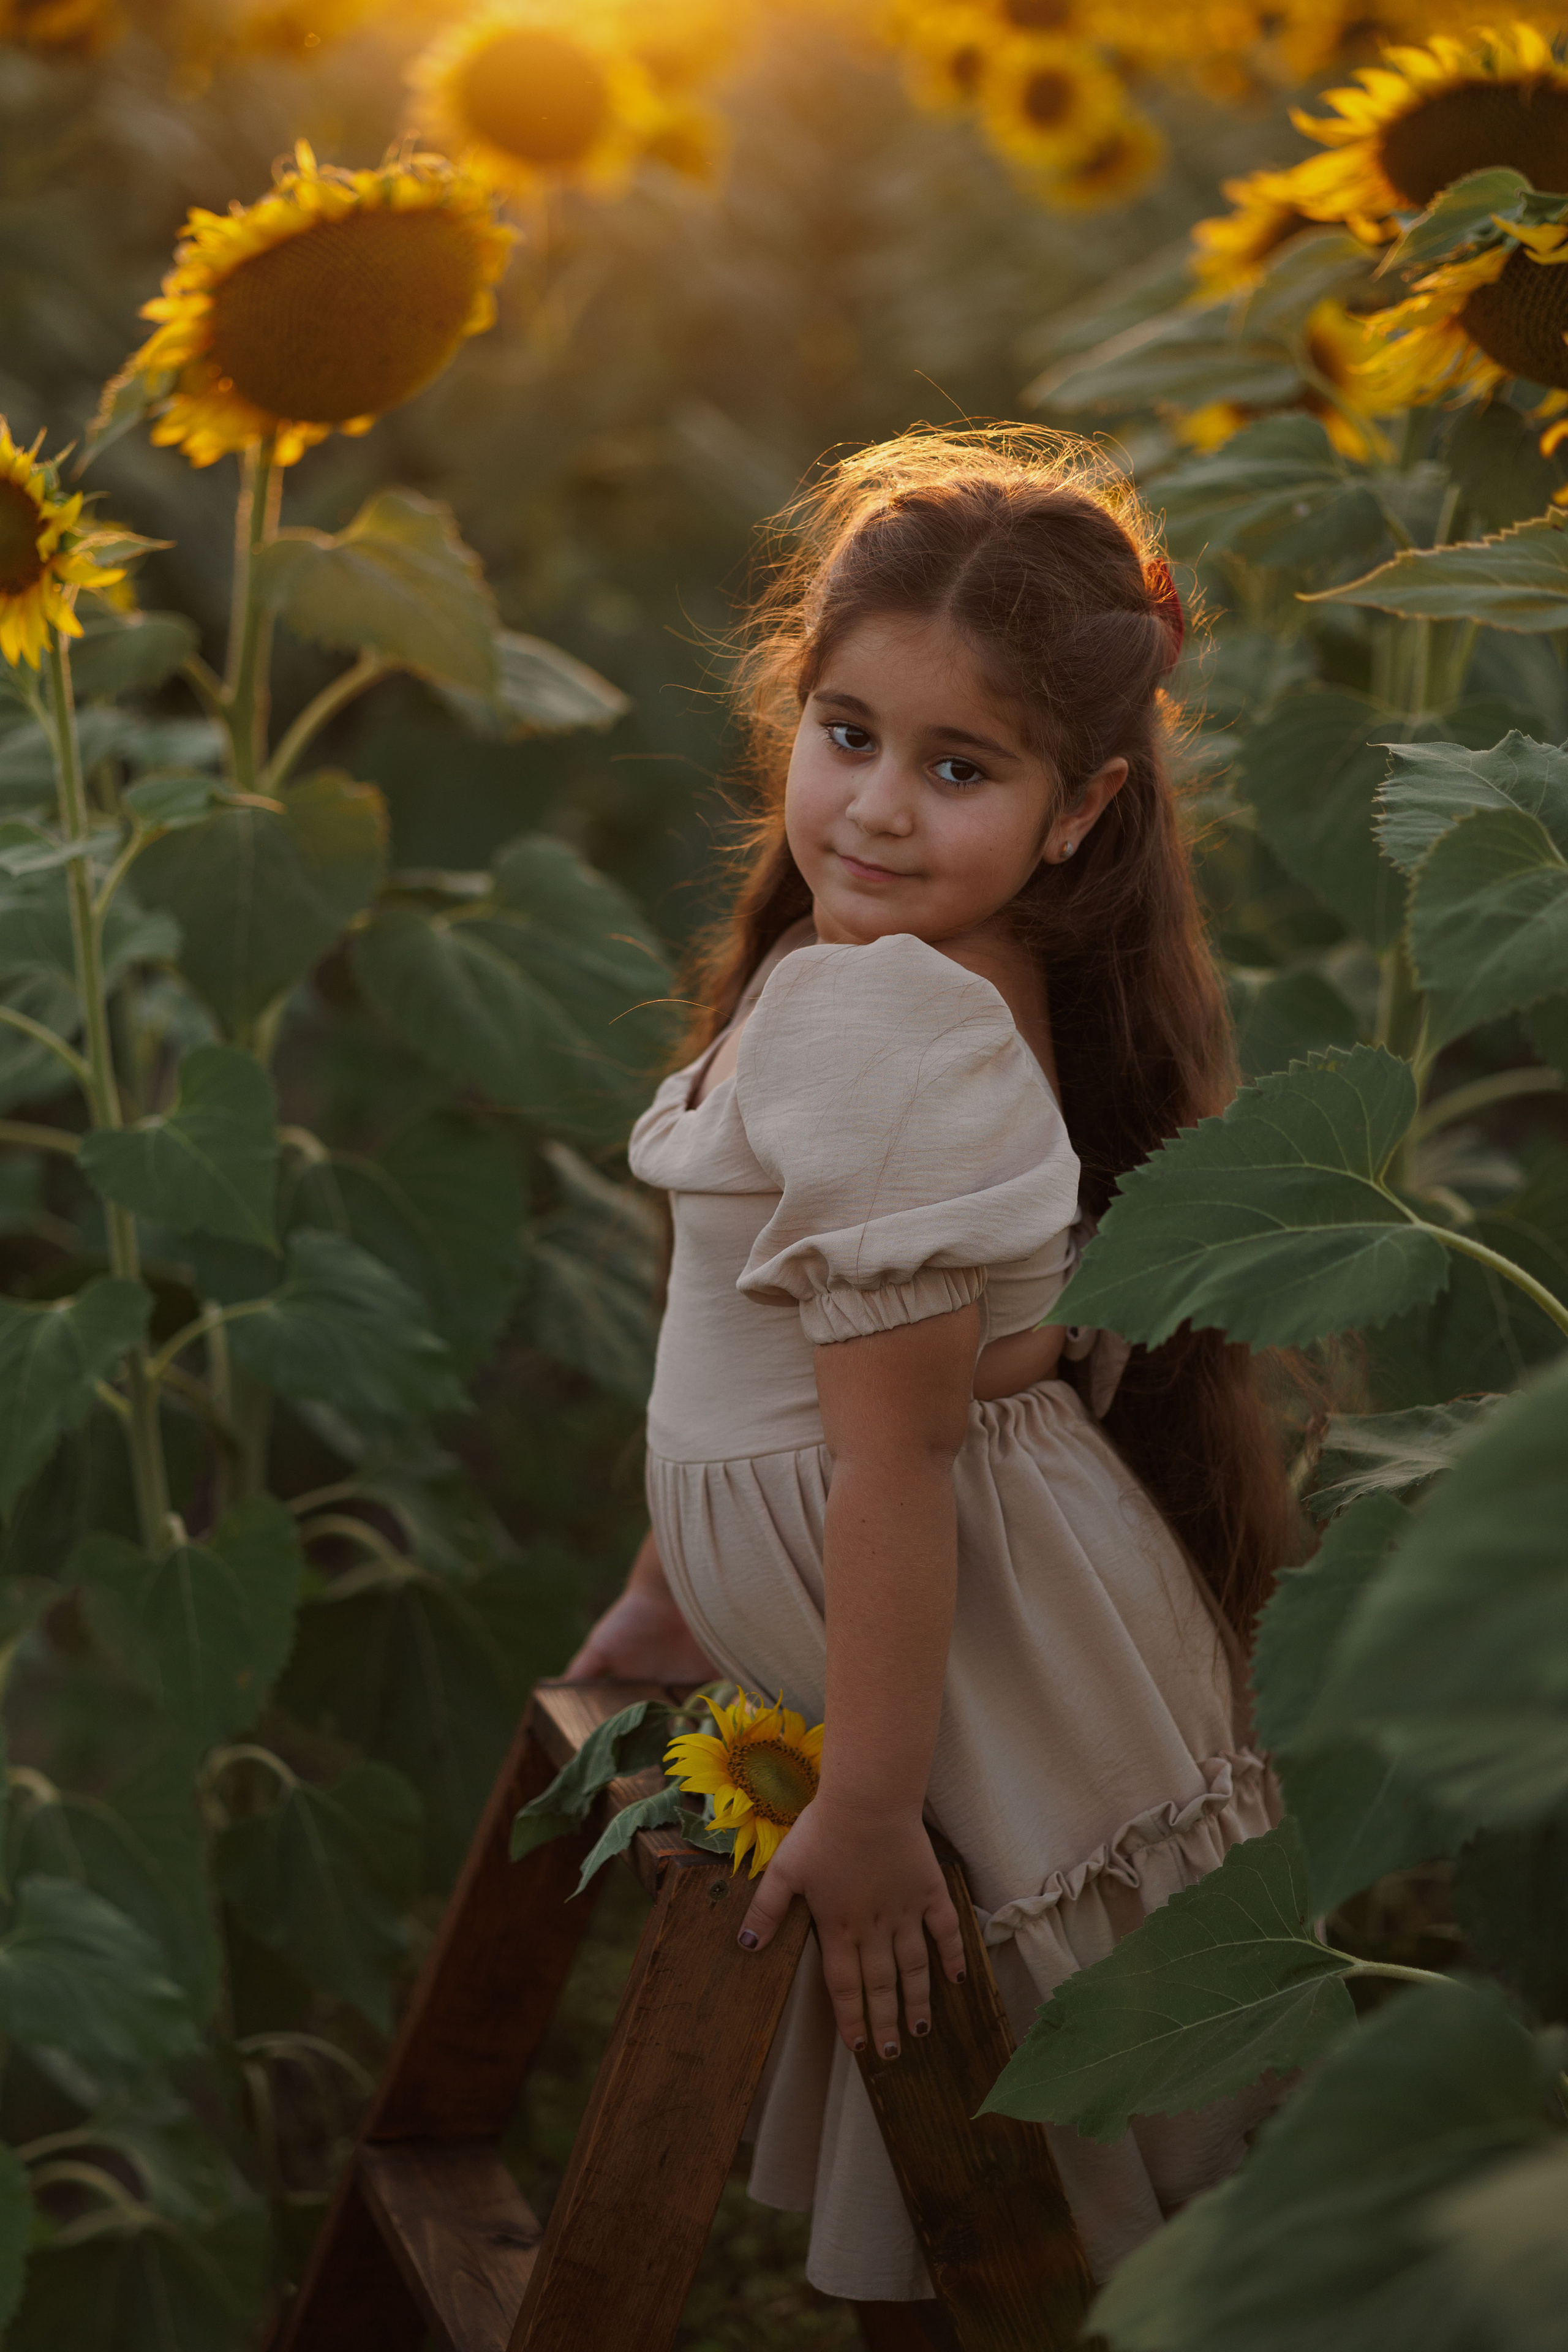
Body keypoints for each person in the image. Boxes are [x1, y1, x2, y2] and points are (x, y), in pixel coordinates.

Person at [565, 428, 1291, 2331]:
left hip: (942, 1661)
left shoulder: (887, 1010)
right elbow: (777, 1327)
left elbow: (887, 1464)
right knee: (989, 2163)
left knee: (999, 2169)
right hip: (942, 1633)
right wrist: (668, 1592)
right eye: (848, 732)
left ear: (1079, 812)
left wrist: (872, 1806)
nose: (876, 808)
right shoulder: (916, 964)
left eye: (957, 769)